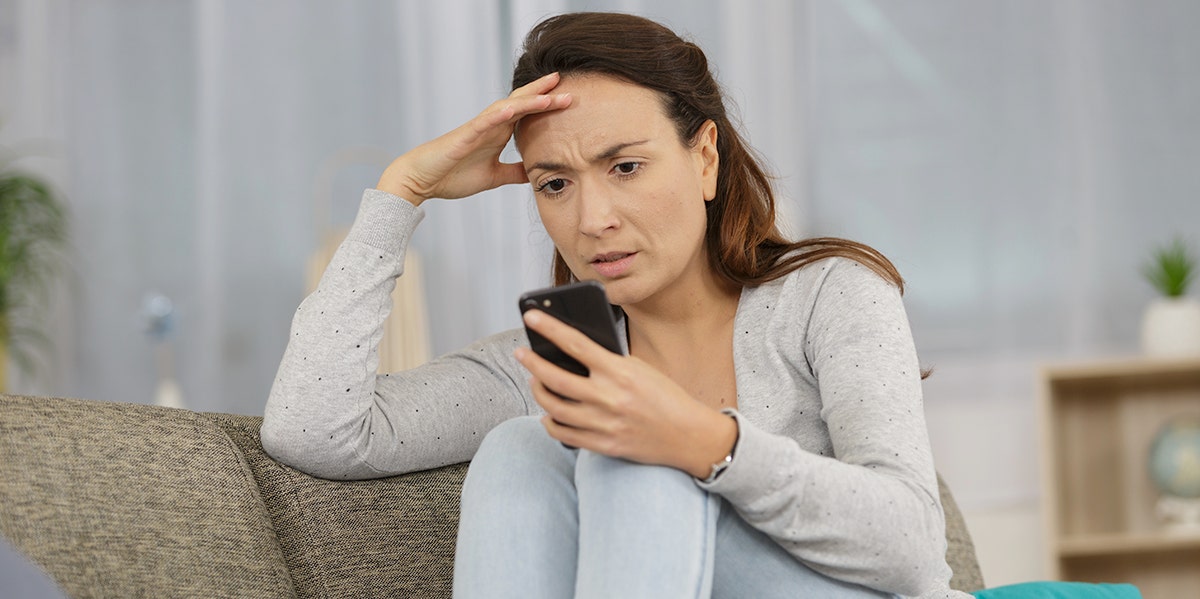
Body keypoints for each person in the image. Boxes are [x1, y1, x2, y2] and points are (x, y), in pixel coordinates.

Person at [262, 12, 970, 599]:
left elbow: (911, 547)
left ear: (705, 158)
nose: (592, 217)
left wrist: (701, 443)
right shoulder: (548, 365)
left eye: (625, 166)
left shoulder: (828, 294)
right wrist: (401, 193)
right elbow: (314, 430)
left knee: (626, 451)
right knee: (522, 442)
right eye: (554, 183)